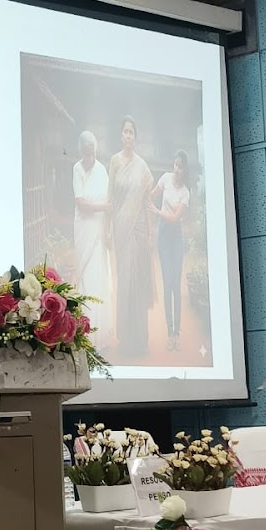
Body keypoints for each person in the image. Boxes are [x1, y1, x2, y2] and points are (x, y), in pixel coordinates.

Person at [107, 115, 153, 358]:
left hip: (139, 230)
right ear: (120, 135)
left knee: (138, 282)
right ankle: (125, 338)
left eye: (131, 132)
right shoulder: (115, 161)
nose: (128, 135)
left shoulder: (142, 166)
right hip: (120, 229)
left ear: (136, 137)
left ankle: (140, 339)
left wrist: (150, 233)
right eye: (125, 131)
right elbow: (111, 197)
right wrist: (107, 228)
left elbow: (146, 202)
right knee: (124, 281)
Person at [72, 131, 110, 353]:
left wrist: (106, 228)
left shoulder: (102, 170)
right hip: (84, 230)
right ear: (81, 151)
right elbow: (82, 204)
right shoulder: (76, 169)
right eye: (86, 153)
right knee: (86, 277)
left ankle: (99, 336)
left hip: (98, 232)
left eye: (92, 153)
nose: (89, 158)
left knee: (98, 278)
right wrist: (103, 207)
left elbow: (109, 202)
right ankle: (84, 334)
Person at [150, 150, 191, 351]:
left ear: (185, 170)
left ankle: (177, 333)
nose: (177, 169)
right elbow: (150, 197)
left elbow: (175, 218)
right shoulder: (165, 178)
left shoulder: (185, 192)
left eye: (180, 166)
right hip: (163, 237)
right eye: (175, 164)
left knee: (176, 285)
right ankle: (169, 332)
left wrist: (158, 212)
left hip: (176, 238)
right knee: (167, 284)